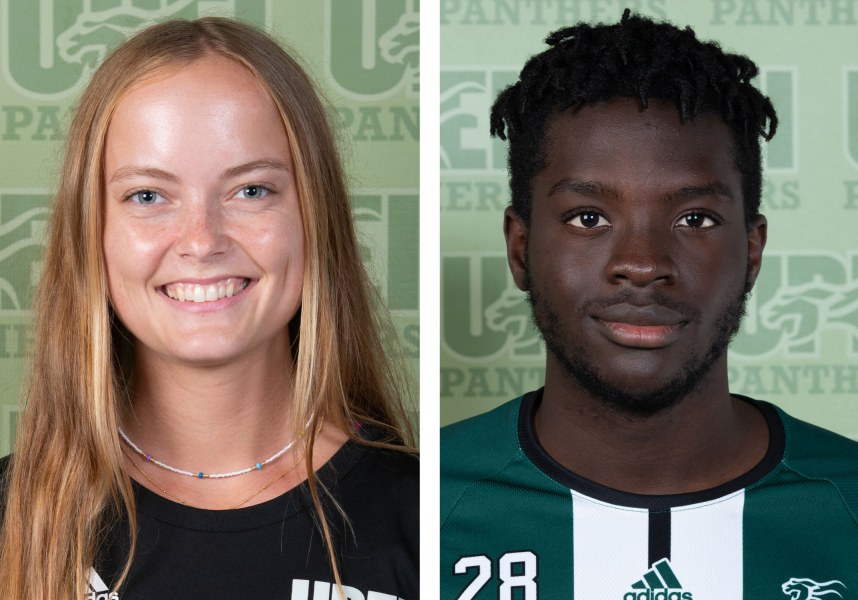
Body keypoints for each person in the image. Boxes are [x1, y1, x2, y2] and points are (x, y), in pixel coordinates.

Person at [441, 10, 858, 598]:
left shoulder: (848, 506)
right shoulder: (422, 502)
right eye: (589, 218)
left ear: (752, 252)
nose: (641, 263)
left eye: (695, 219)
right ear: (520, 248)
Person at [0, 17, 417, 599]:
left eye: (251, 190)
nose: (201, 240)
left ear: (314, 218)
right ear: (92, 233)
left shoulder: (433, 523)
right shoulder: (10, 522)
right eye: (147, 196)